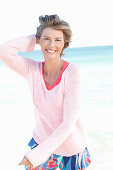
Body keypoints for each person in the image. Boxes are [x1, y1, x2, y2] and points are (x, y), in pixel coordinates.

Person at [0, 14, 91, 170]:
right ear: (39, 41)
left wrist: (35, 156)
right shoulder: (32, 70)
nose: (51, 44)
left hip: (70, 151)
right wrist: (33, 39)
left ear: (64, 44)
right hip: (41, 142)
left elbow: (68, 123)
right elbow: (4, 51)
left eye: (57, 40)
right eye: (46, 38)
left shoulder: (72, 72)